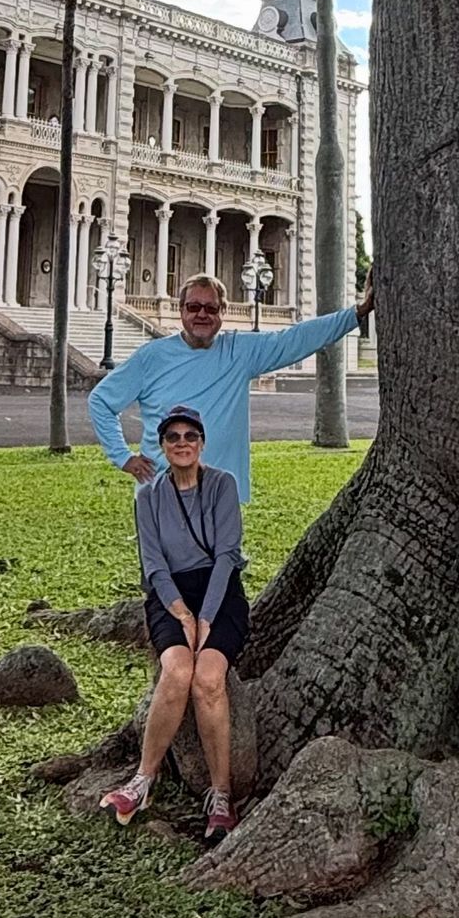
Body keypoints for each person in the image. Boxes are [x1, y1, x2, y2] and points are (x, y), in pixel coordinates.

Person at [88, 271, 377, 503]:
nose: (202, 314)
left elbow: (296, 339)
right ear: (181, 311)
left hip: (220, 497)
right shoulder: (151, 357)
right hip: (162, 496)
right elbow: (101, 401)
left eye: (211, 308)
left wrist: (358, 312)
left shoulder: (239, 351)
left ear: (223, 311)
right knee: (161, 576)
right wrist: (123, 457)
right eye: (194, 307)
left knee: (222, 574)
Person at [100, 403, 247, 838]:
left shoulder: (222, 485)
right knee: (178, 670)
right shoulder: (148, 496)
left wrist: (205, 618)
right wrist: (181, 613)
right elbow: (154, 564)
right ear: (162, 446)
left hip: (220, 592)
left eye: (190, 437)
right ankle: (143, 779)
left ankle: (221, 794)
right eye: (173, 438)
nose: (182, 444)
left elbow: (226, 557)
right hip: (170, 595)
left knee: (207, 678)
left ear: (201, 443)